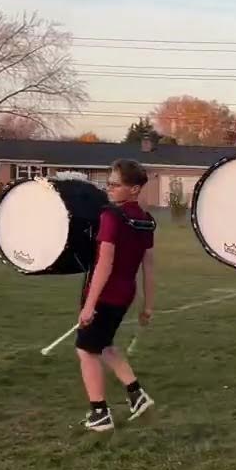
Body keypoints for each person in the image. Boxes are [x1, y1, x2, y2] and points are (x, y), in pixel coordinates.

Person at [77, 159, 157, 432]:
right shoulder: (146, 221)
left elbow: (105, 263)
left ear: (134, 189)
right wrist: (148, 305)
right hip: (125, 294)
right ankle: (137, 395)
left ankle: (99, 413)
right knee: (105, 345)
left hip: (105, 295)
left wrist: (90, 305)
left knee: (86, 351)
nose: (109, 188)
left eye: (115, 184)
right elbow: (148, 266)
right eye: (108, 183)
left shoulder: (111, 216)